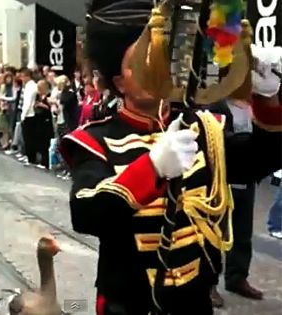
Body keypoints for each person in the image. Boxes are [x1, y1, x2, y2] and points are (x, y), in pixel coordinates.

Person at [59, 1, 282, 314]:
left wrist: (269, 98)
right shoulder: (95, 140)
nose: (156, 69)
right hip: (130, 302)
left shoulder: (203, 127)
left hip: (193, 301)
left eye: (159, 58)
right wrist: (151, 168)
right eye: (142, 61)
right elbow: (85, 213)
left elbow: (256, 163)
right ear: (119, 81)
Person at [209, 98, 263, 307]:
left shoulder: (254, 104)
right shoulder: (215, 104)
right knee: (215, 234)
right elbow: (218, 140)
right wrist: (250, 142)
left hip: (246, 179)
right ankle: (209, 284)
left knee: (242, 233)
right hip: (222, 179)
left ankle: (237, 278)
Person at [20, 68, 38, 166]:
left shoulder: (30, 87)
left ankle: (31, 158)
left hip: (29, 114)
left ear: (27, 76)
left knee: (28, 138)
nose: (21, 78)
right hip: (30, 114)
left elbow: (27, 102)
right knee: (29, 137)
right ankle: (29, 156)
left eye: (23, 76)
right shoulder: (30, 86)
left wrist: (23, 116)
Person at [34, 80, 54, 169]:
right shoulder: (38, 96)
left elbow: (51, 108)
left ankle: (46, 162)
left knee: (46, 141)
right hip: (39, 120)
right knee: (40, 140)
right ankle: (42, 160)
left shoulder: (49, 96)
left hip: (47, 120)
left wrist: (43, 105)